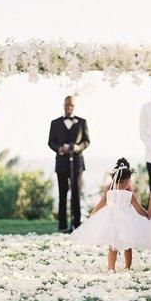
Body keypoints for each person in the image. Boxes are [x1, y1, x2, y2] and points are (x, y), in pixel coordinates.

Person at [71, 158, 151, 273]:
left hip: (111, 221)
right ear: (126, 182)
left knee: (112, 247)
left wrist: (92, 217)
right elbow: (139, 210)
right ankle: (128, 267)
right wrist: (148, 215)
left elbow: (98, 207)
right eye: (129, 181)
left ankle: (111, 268)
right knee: (128, 246)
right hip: (126, 221)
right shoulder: (130, 195)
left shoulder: (109, 194)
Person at [48, 95, 90, 233]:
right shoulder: (55, 123)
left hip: (77, 162)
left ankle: (77, 224)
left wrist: (79, 147)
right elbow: (51, 142)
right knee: (62, 194)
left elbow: (86, 141)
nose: (69, 107)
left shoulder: (82, 122)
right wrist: (60, 148)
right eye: (67, 104)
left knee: (76, 193)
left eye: (71, 105)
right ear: (63, 105)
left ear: (74, 106)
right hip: (61, 162)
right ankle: (62, 225)